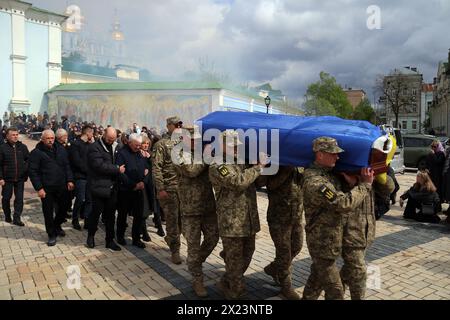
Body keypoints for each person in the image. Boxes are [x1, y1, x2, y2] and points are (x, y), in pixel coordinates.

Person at [302, 137, 373, 300]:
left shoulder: (329, 176)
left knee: (315, 282)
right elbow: (343, 203)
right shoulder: (315, 181)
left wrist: (351, 182)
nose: (337, 157)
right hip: (322, 243)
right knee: (335, 291)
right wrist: (364, 185)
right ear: (320, 155)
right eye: (333, 154)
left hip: (331, 241)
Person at [209, 130, 268, 300]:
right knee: (235, 261)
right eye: (232, 145)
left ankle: (227, 280)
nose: (236, 148)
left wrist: (260, 168)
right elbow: (238, 182)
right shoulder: (218, 165)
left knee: (248, 253)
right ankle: (235, 293)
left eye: (237, 145)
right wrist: (258, 167)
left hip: (248, 220)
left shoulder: (241, 162)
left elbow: (257, 182)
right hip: (232, 222)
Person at [174, 127, 219, 298]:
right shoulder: (178, 154)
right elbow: (191, 171)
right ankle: (197, 279)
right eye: (193, 139)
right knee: (193, 246)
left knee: (213, 238)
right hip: (190, 209)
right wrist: (207, 157)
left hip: (208, 206)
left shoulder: (203, 152)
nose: (196, 142)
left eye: (197, 139)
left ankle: (195, 263)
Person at [339, 170, 393, 299]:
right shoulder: (341, 171)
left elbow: (390, 188)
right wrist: (357, 182)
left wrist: (379, 174)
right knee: (359, 271)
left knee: (349, 269)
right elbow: (343, 203)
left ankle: (334, 292)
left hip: (366, 232)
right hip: (350, 232)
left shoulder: (369, 172)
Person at [260, 166, 304, 300]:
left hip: (296, 216)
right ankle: (286, 288)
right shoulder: (276, 164)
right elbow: (269, 185)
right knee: (284, 253)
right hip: (279, 217)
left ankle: (274, 268)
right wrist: (286, 170)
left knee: (297, 246)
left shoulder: (301, 165)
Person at [28, 130, 75, 246]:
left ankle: (56, 225)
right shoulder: (36, 153)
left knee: (64, 209)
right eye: (48, 138)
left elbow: (67, 166)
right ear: (42, 139)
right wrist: (39, 188)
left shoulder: (61, 149)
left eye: (52, 138)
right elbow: (33, 172)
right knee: (48, 213)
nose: (50, 140)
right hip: (46, 188)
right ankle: (51, 234)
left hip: (62, 186)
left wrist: (70, 180)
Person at [86, 127, 125, 251]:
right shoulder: (94, 147)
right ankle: (91, 236)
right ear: (104, 135)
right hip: (99, 186)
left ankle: (110, 240)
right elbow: (99, 166)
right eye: (109, 139)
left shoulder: (117, 146)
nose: (111, 141)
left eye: (113, 139)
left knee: (110, 216)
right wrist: (117, 169)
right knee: (95, 214)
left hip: (112, 187)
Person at [153, 116, 184, 264]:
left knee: (182, 221)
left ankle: (171, 239)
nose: (179, 126)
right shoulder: (161, 144)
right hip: (169, 189)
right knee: (172, 221)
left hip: (183, 189)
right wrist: (160, 188)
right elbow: (156, 168)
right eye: (176, 124)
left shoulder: (183, 142)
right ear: (168, 126)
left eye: (180, 124)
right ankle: (175, 251)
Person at [116, 133, 147, 249]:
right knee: (122, 215)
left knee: (138, 215)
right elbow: (121, 174)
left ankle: (136, 238)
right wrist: (133, 185)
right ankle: (120, 236)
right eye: (136, 145)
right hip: (126, 190)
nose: (138, 147)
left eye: (140, 145)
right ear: (129, 143)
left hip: (139, 189)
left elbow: (146, 170)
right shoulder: (122, 154)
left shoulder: (140, 154)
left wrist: (143, 182)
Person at [0, 127, 30, 225]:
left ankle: (17, 218)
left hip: (20, 178)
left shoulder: (22, 147)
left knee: (19, 199)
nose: (15, 136)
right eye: (13, 135)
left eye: (17, 134)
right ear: (7, 136)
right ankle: (7, 215)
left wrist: (25, 171)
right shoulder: (2, 148)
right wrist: (1, 178)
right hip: (7, 179)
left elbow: (28, 160)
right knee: (6, 198)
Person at [69, 125, 94, 230]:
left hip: (90, 177)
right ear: (87, 133)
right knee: (80, 199)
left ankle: (87, 221)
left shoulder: (90, 145)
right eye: (91, 133)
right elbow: (76, 161)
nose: (93, 135)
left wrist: (93, 144)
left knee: (89, 200)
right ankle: (75, 220)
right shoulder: (75, 144)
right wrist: (88, 170)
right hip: (80, 177)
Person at [140, 135, 165, 239]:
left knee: (156, 207)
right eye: (144, 143)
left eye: (147, 144)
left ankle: (159, 227)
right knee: (144, 209)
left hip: (153, 184)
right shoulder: (138, 154)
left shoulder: (151, 154)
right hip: (143, 185)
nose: (145, 145)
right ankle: (144, 231)